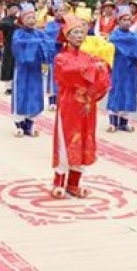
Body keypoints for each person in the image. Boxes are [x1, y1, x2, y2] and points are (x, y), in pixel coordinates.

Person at [50, 15, 111, 198]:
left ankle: (74, 184)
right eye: (75, 33)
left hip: (87, 105)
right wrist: (94, 69)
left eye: (81, 33)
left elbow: (103, 75)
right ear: (66, 36)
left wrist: (96, 76)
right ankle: (58, 182)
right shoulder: (61, 58)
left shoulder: (89, 57)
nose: (78, 36)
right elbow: (69, 74)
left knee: (84, 139)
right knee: (65, 140)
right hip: (69, 104)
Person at [11, 3, 53, 137]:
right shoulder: (18, 33)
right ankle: (19, 124)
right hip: (23, 70)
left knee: (34, 94)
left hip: (35, 70)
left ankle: (29, 124)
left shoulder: (40, 33)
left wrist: (40, 47)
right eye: (28, 18)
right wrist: (34, 44)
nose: (31, 21)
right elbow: (17, 46)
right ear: (22, 20)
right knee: (21, 93)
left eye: (33, 18)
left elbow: (49, 46)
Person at [106, 6, 137, 133]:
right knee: (116, 91)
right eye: (123, 19)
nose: (126, 22)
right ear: (118, 21)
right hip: (118, 67)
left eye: (128, 19)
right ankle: (113, 121)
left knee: (129, 93)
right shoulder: (114, 36)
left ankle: (124, 122)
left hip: (131, 69)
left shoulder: (135, 37)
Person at [0, 0, 21, 95]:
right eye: (12, 8)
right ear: (8, 9)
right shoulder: (5, 20)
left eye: (16, 8)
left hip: (19, 46)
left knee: (17, 65)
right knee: (8, 65)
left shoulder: (19, 20)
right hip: (9, 45)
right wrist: (15, 25)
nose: (14, 10)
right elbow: (2, 25)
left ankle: (17, 85)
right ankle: (8, 87)